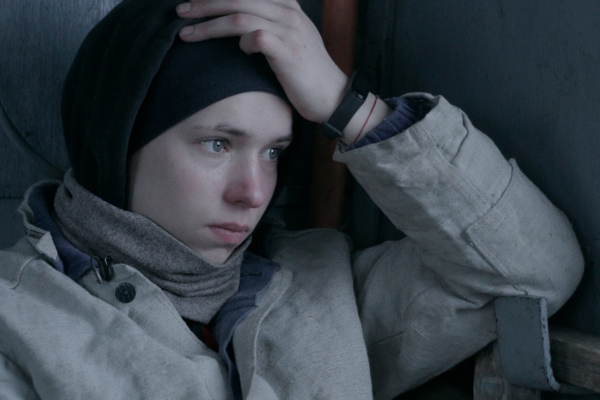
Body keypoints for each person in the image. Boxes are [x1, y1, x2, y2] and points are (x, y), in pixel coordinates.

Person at [0, 0, 584, 399]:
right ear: (117, 140)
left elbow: (535, 270)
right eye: (217, 144)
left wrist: (348, 108)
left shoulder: (324, 289)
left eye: (274, 152)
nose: (253, 193)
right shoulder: (18, 323)